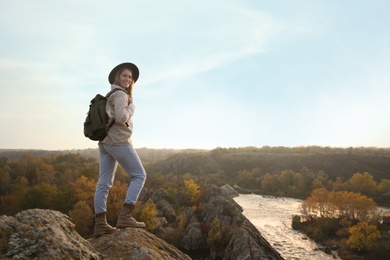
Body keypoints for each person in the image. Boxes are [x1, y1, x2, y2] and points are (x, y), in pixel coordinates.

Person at [93, 62, 147, 237]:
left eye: (130, 77)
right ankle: (125, 216)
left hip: (105, 142)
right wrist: (132, 107)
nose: (128, 79)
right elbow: (121, 117)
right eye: (125, 75)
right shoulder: (121, 95)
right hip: (118, 141)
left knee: (104, 183)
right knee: (139, 175)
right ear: (118, 77)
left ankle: (100, 223)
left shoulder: (111, 94)